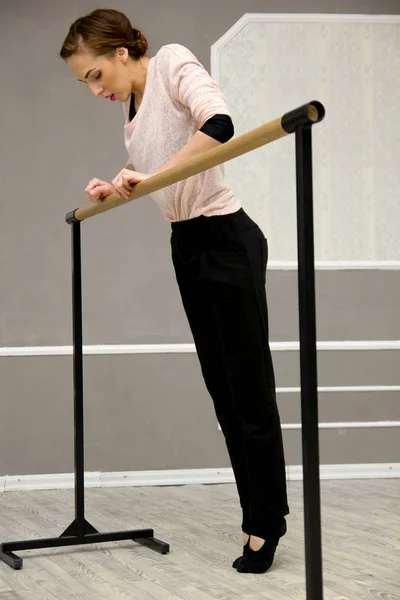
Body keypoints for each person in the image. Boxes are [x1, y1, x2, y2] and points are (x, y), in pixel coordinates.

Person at [60, 8, 289, 574]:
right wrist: (116, 186)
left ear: (119, 52)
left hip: (226, 238)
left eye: (94, 75)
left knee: (248, 388)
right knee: (222, 391)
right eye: (84, 83)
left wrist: (152, 176)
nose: (95, 91)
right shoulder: (131, 119)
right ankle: (258, 511)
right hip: (186, 246)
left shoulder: (171, 63)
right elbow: (158, 172)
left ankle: (266, 523)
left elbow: (219, 125)